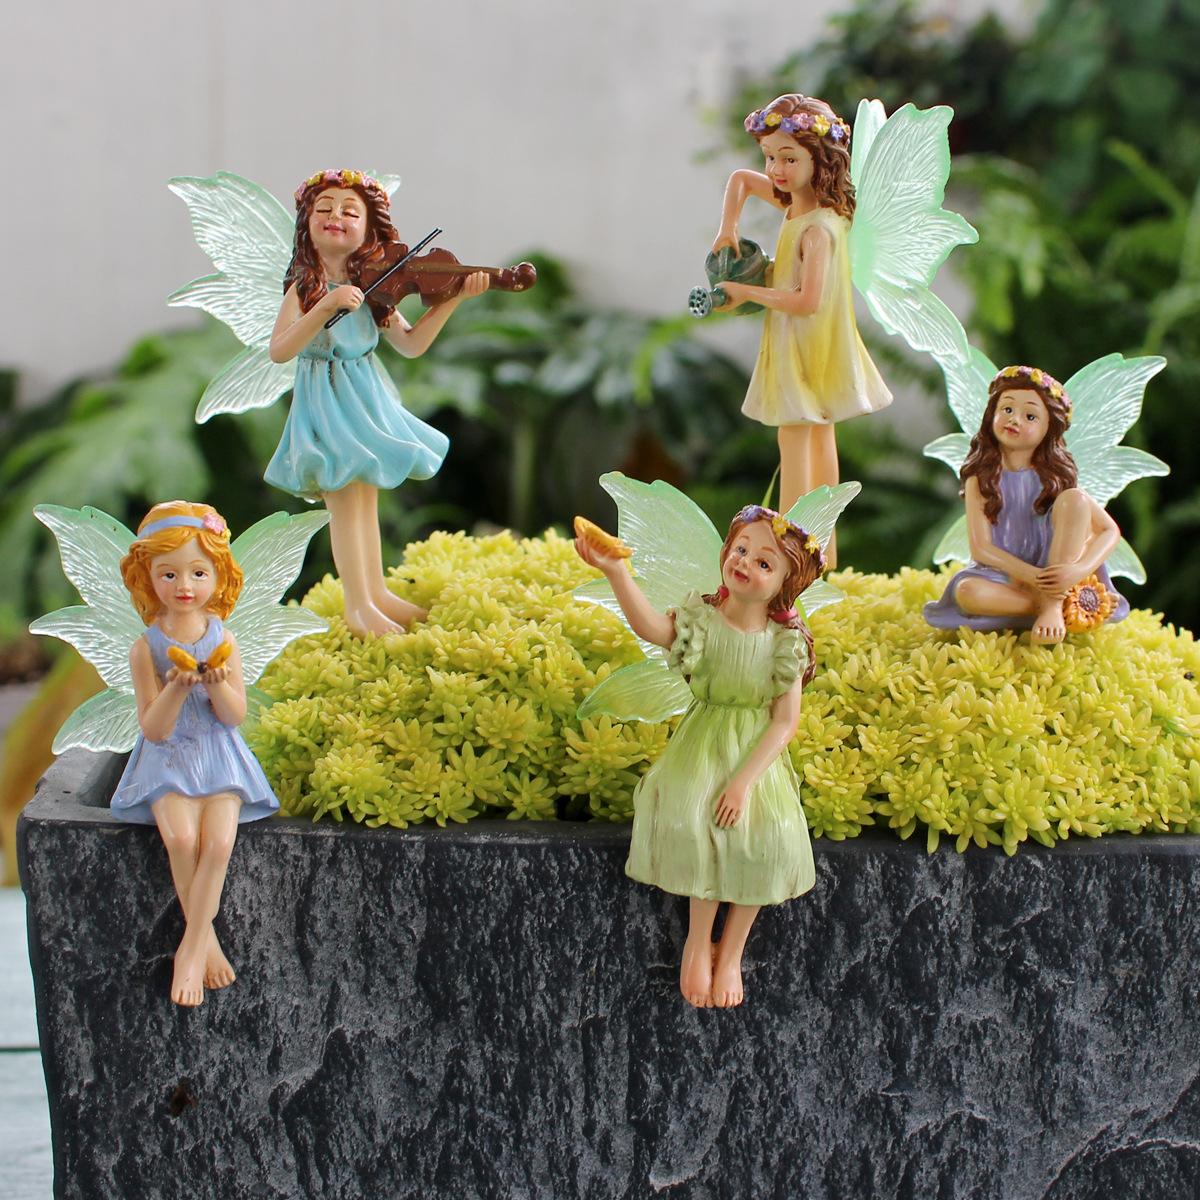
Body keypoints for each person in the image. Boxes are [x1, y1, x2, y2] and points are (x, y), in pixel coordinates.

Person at [575, 505, 822, 1008]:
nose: (745, 562)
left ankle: (731, 952)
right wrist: (616, 571)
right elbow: (650, 628)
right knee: (694, 824)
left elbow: (784, 722)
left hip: (753, 753)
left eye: (765, 562)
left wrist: (743, 782)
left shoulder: (785, 644)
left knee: (765, 838)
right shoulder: (702, 622)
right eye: (741, 549)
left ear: (784, 584)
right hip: (702, 743)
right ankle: (697, 939)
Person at [268, 169, 489, 635]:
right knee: (344, 503)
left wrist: (450, 301)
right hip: (326, 401)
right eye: (324, 208)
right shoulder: (304, 289)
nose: (336, 217)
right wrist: (326, 306)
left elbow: (411, 344)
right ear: (306, 222)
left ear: (369, 229)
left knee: (365, 499)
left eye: (350, 212)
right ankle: (357, 606)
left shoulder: (375, 286)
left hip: (365, 400)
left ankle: (377, 593)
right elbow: (281, 350)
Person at [114, 501, 276, 1006]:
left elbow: (234, 716)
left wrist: (217, 684)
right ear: (148, 577)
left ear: (218, 575)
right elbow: (153, 728)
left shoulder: (224, 638)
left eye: (198, 573)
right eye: (169, 574)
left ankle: (188, 951)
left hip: (219, 755)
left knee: (220, 842)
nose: (184, 586)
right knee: (182, 838)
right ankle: (207, 944)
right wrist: (177, 687)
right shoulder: (145, 648)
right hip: (167, 759)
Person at [710, 95, 891, 533]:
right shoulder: (803, 207)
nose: (776, 169)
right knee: (820, 432)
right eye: (770, 156)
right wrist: (728, 228)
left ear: (820, 159)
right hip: (816, 342)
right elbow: (740, 180)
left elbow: (807, 301)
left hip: (804, 343)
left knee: (793, 436)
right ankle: (821, 547)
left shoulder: (817, 230)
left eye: (789, 158)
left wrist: (745, 290)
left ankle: (791, 543)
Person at [924, 365, 1128, 642]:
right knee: (968, 593)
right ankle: (1060, 605)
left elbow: (1109, 530)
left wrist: (1077, 571)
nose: (1014, 419)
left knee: (1075, 499)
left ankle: (1054, 606)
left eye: (1030, 416)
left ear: (1048, 429)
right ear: (992, 414)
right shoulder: (980, 478)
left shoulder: (1055, 477)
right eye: (1007, 409)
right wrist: (1035, 578)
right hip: (1005, 576)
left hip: (1057, 567)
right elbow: (982, 548)